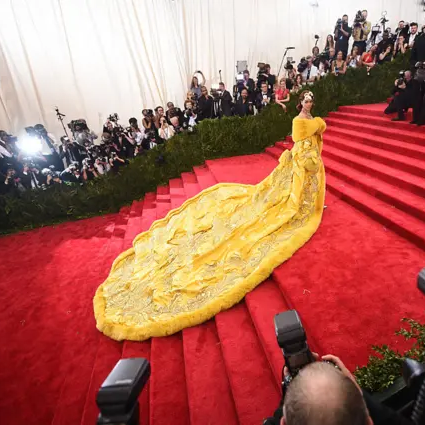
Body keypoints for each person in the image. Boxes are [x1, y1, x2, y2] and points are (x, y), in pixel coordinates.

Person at [93, 90, 326, 341]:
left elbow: (315, 129)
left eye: (312, 99)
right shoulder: (300, 121)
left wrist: (316, 130)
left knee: (297, 192)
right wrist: (317, 129)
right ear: (300, 102)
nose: (309, 102)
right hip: (302, 161)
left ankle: (306, 201)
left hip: (305, 162)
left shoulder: (309, 119)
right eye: (306, 99)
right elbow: (307, 133)